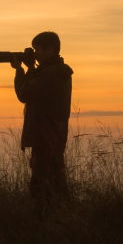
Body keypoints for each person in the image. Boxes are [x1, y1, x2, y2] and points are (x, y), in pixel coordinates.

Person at [12, 31, 74, 217]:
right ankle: (62, 218)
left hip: (45, 134)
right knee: (55, 181)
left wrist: (20, 70)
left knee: (41, 184)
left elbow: (24, 94)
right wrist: (31, 68)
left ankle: (43, 222)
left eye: (37, 49)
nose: (35, 53)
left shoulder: (52, 73)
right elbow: (36, 89)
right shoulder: (55, 71)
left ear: (50, 49)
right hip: (53, 134)